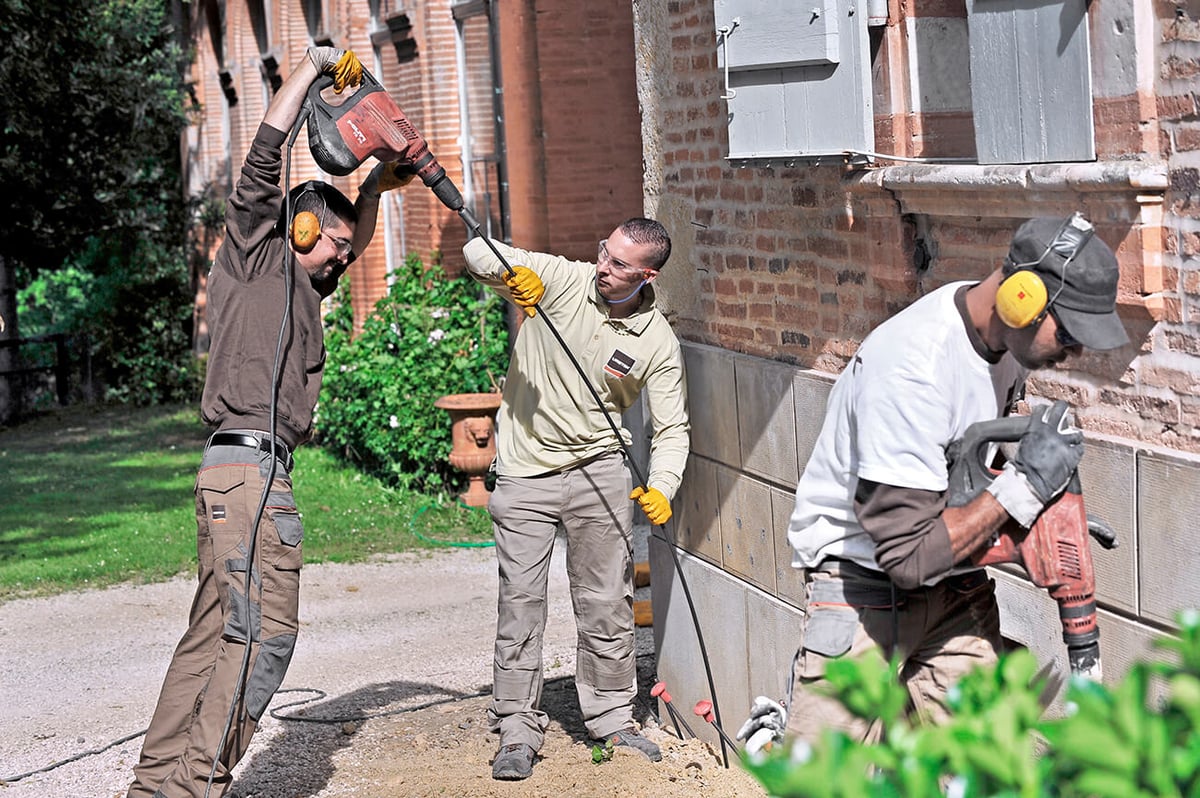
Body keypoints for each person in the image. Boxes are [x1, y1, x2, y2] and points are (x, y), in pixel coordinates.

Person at [127, 47, 410, 798]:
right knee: (265, 638)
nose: (341, 261)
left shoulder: (294, 291)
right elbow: (264, 156)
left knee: (210, 638)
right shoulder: (256, 251)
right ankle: (196, 786)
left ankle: (156, 788)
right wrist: (313, 67)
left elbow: (352, 235)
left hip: (233, 473)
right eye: (334, 245)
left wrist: (380, 178)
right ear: (302, 228)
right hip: (250, 477)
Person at [738, 213, 1129, 752]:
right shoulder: (912, 369)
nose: (1077, 351)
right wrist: (1022, 490)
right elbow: (908, 556)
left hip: (953, 587)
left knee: (987, 763)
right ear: (1021, 298)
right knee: (822, 778)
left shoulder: (1002, 348)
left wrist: (1046, 517)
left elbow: (977, 466)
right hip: (865, 585)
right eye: (1068, 331)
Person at [462, 218, 690, 780]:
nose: (603, 268)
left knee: (606, 603)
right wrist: (511, 278)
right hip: (524, 475)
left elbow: (672, 429)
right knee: (520, 604)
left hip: (601, 475)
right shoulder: (562, 279)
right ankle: (516, 726)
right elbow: (475, 249)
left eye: (618, 265)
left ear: (648, 275)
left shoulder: (656, 339)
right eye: (603, 253)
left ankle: (612, 717)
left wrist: (662, 487)